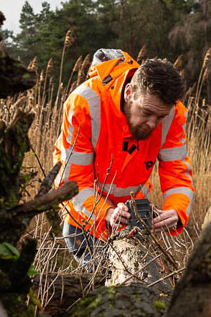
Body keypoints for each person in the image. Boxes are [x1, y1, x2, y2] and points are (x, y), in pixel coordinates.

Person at [55, 49, 193, 262]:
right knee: (100, 279)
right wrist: (107, 213)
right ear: (129, 92)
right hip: (84, 220)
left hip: (134, 222)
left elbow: (178, 175)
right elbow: (73, 181)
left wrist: (176, 211)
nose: (153, 124)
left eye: (161, 116)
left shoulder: (173, 114)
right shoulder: (84, 104)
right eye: (146, 112)